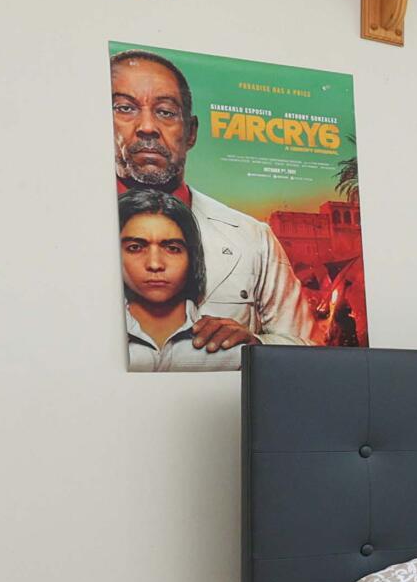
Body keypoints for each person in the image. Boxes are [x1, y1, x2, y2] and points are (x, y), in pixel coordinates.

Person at [110, 50, 314, 356]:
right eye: (125, 108)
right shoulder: (70, 228)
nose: (148, 126)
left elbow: (310, 348)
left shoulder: (253, 237)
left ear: (190, 132)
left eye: (166, 112)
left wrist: (256, 345)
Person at [119, 189, 239, 372]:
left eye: (172, 248)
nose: (155, 264)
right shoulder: (94, 342)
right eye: (135, 247)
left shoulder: (230, 349)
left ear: (192, 256)